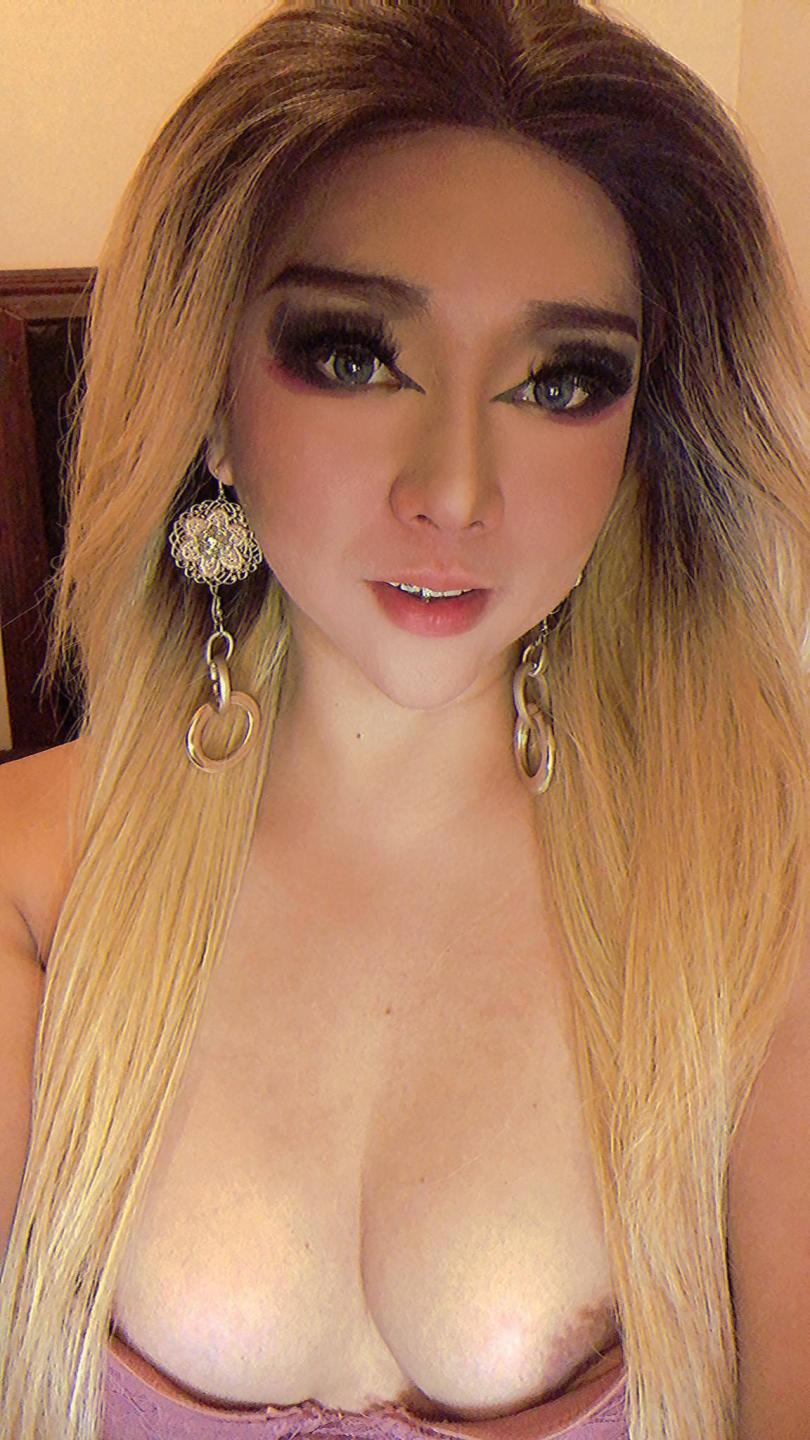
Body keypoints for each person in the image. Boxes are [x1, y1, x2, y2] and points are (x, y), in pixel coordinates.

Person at [1, 2, 809, 1437]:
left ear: (637, 442)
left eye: (561, 381)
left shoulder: (755, 905)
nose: (454, 490)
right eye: (353, 355)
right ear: (208, 397)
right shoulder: (32, 887)